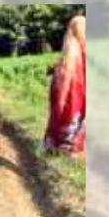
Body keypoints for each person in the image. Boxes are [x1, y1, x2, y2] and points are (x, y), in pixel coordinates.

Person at [43, 15, 86, 156]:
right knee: (74, 118)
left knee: (61, 115)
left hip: (66, 90)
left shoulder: (68, 47)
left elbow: (60, 72)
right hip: (76, 90)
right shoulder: (79, 48)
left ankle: (54, 145)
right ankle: (69, 149)